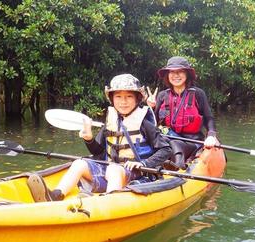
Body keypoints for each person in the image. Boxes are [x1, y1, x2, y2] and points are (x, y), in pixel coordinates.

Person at [27, 74, 172, 202]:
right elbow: (98, 152)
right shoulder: (111, 122)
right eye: (118, 97)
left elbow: (166, 149)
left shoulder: (145, 123)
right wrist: (89, 139)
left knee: (114, 170)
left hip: (137, 175)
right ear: (112, 99)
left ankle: (108, 203)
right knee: (79, 163)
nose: (123, 101)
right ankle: (56, 195)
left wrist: (145, 163)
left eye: (129, 97)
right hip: (111, 171)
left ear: (137, 99)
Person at [147, 56, 219, 168]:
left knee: (174, 144)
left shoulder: (198, 94)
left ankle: (178, 170)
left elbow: (208, 117)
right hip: (167, 138)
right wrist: (150, 107)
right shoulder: (162, 95)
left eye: (180, 71)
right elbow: (153, 123)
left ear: (187, 74)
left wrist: (211, 135)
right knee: (162, 142)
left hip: (192, 141)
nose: (176, 75)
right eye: (172, 72)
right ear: (167, 75)